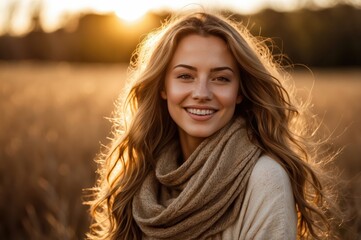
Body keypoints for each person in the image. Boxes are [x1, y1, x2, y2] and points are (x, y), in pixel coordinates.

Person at [86, 11, 336, 239]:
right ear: (163, 87)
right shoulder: (142, 175)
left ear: (239, 90)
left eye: (221, 78)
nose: (202, 93)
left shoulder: (265, 179)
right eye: (185, 76)